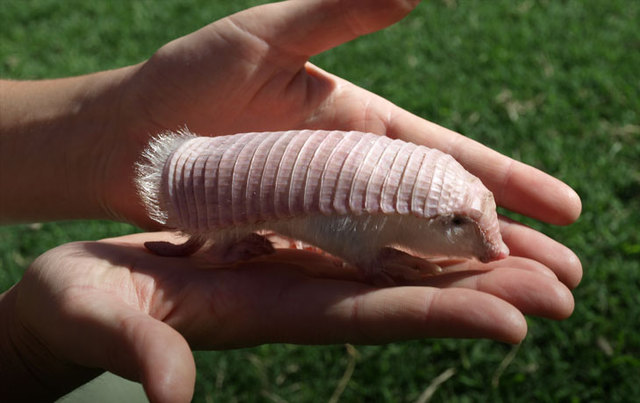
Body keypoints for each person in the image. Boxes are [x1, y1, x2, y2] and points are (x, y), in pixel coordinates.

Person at [0, 1, 582, 402]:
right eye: (462, 226)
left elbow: (328, 217)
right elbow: (332, 227)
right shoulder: (378, 206)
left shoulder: (398, 191)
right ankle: (224, 245)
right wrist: (370, 260)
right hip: (216, 188)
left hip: (219, 179)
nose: (488, 248)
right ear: (420, 210)